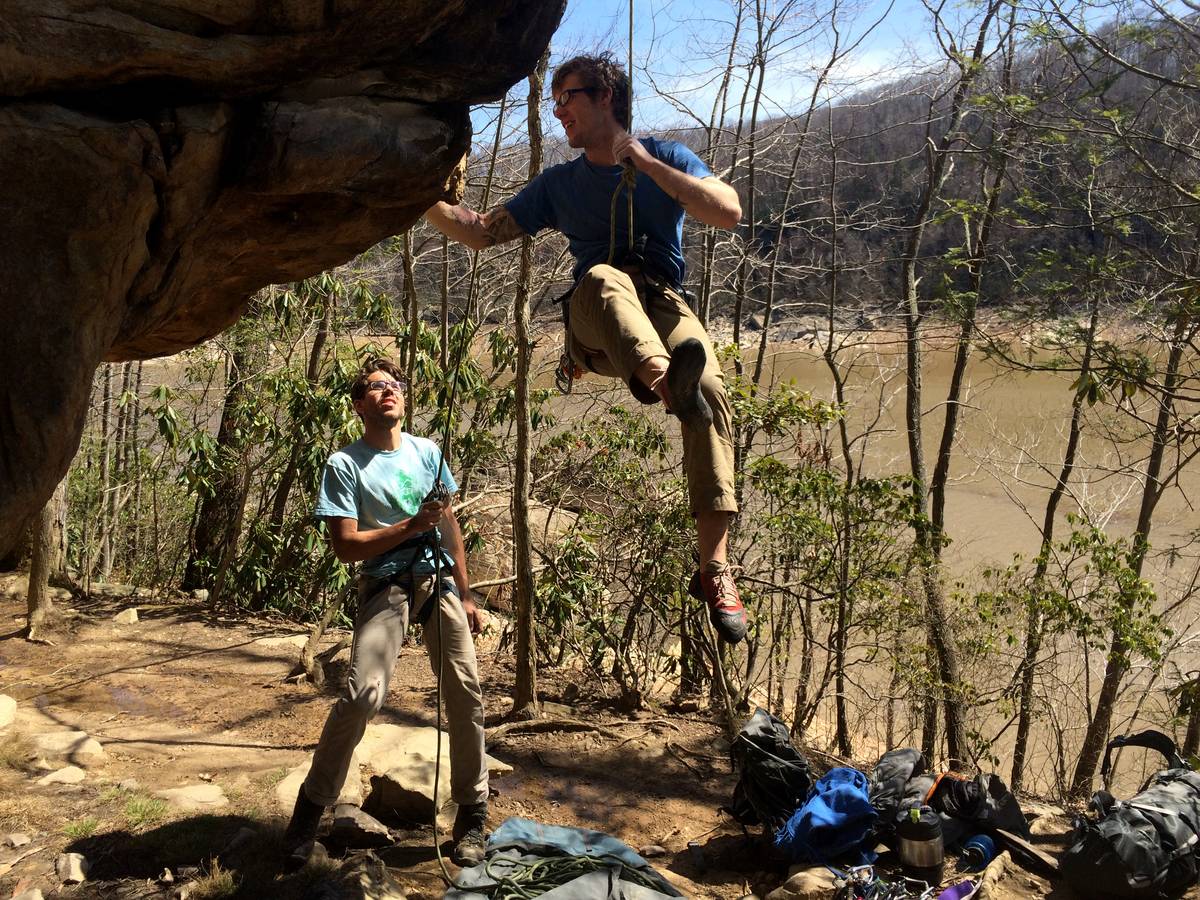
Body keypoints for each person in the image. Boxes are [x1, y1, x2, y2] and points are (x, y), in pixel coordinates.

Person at [425, 52, 748, 644]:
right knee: (604, 278)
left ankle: (715, 569)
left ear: (605, 96)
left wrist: (649, 167)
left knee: (707, 392)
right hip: (595, 320)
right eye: (553, 102)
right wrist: (417, 197)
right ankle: (662, 380)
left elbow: (727, 210)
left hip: (661, 303)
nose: (558, 112)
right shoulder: (559, 184)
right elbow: (480, 231)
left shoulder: (668, 157)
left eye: (567, 97)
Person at [282, 359, 489, 870]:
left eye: (395, 385)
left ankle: (473, 813)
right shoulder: (344, 465)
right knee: (362, 694)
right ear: (359, 404)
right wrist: (409, 524)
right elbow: (347, 547)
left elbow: (449, 527)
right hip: (386, 582)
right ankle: (310, 809)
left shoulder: (428, 452)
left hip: (437, 578)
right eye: (377, 387)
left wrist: (466, 593)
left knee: (465, 691)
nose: (389, 392)